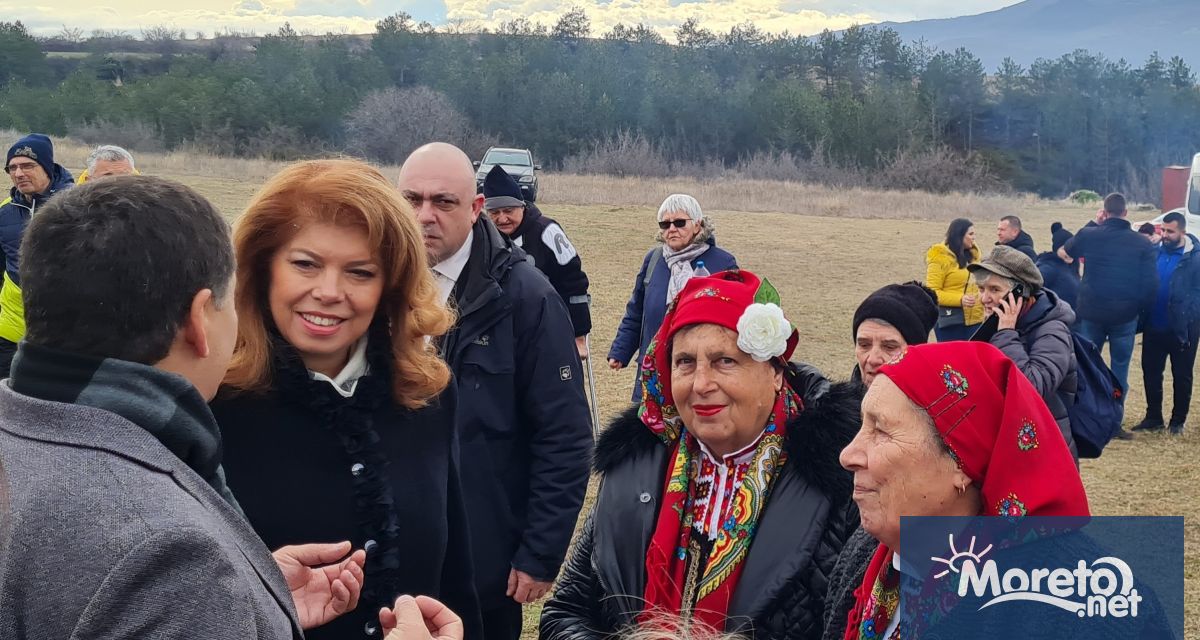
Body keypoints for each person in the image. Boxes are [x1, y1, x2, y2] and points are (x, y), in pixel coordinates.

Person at [0, 176, 366, 638]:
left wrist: (250, 601)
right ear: (199, 319)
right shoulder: (167, 553)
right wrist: (205, 599)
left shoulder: (23, 436)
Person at [211, 159, 482, 639]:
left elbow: (454, 574)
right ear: (261, 268)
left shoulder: (427, 395)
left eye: (359, 272)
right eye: (305, 264)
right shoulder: (213, 402)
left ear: (391, 287)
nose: (329, 292)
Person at [542, 269, 860, 639]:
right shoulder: (635, 465)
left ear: (776, 372)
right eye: (685, 363)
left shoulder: (842, 478)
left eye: (725, 360)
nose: (701, 384)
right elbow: (565, 610)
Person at [398, 142, 592, 640]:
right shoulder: (376, 283)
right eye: (412, 200)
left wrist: (540, 552)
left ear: (476, 208)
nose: (425, 216)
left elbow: (565, 435)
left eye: (443, 202)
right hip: (391, 554)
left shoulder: (526, 298)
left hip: (482, 563)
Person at [824, 341, 1089, 639]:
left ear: (962, 462)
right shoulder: (869, 553)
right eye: (863, 426)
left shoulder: (1069, 612)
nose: (848, 455)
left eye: (881, 430)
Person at [609, 194, 738, 401]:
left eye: (679, 222)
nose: (671, 229)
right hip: (653, 365)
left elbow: (734, 314)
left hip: (699, 368)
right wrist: (620, 351)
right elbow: (637, 310)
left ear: (697, 225)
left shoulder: (722, 262)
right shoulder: (653, 260)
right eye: (665, 224)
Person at [969, 245, 1079, 459]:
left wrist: (1006, 334)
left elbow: (1034, 388)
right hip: (1010, 441)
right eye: (982, 289)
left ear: (1021, 294)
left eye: (994, 290)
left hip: (1044, 449)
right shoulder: (1001, 323)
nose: (984, 298)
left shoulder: (1052, 330)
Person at [1059, 193, 1157, 417]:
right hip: (1125, 313)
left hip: (1092, 312)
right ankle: (1114, 416)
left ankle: (1086, 413)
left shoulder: (1090, 234)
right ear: (1126, 213)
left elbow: (1066, 250)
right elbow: (1151, 283)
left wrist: (1094, 223)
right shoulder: (1141, 242)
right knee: (1120, 367)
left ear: (1105, 211)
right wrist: (1140, 312)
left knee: (1088, 364)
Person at [482, 164, 591, 359]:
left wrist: (578, 335)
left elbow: (574, 281)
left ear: (521, 207)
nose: (502, 218)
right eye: (494, 212)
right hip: (500, 329)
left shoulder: (548, 231)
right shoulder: (482, 236)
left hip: (545, 324)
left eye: (508, 210)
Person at [0, 133, 73, 376]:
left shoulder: (80, 206)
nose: (19, 173)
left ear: (47, 167)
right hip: (9, 334)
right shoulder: (4, 212)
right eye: (12, 168)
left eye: (28, 166)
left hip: (65, 338)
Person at [1133, 211, 1200, 435]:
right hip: (1154, 325)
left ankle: (1177, 421)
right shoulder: (1154, 253)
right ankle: (1154, 417)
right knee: (1151, 372)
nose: (1165, 235)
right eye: (1163, 230)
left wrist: (1189, 314)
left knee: (1181, 375)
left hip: (1183, 328)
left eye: (1170, 231)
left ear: (1183, 232)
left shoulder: (1195, 258)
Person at [851, 281, 939, 386]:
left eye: (889, 347)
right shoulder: (835, 400)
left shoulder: (945, 400)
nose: (873, 359)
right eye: (864, 345)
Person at [925, 218, 983, 342]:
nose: (974, 238)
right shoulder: (939, 257)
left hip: (975, 320)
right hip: (951, 320)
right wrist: (960, 299)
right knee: (952, 359)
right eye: (971, 234)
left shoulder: (974, 257)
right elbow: (932, 293)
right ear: (960, 235)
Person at [1036, 222, 1080, 310]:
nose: (1070, 252)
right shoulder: (1048, 267)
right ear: (1056, 249)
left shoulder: (1070, 267)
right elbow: (1030, 286)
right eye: (1065, 249)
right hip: (1057, 320)